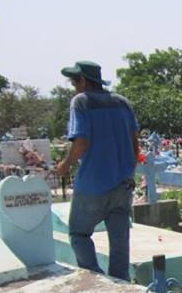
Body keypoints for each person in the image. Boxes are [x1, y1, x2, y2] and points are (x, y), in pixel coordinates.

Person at [55, 60, 139, 281]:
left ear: (83, 80)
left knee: (79, 233)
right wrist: (129, 171)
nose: (74, 87)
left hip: (93, 182)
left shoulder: (81, 102)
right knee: (119, 238)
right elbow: (134, 143)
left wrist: (65, 165)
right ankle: (121, 280)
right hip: (123, 183)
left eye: (75, 82)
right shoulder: (123, 103)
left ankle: (95, 279)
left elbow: (81, 143)